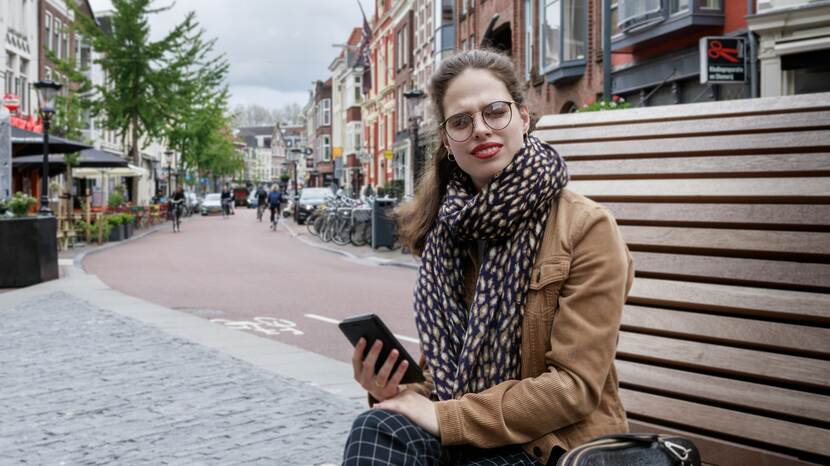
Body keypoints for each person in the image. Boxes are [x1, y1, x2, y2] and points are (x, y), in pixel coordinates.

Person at [342, 49, 634, 466]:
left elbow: (574, 387)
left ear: (523, 118)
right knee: (377, 427)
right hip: (467, 434)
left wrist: (445, 415)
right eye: (461, 121)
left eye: (495, 112)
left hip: (554, 445)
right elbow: (442, 381)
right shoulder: (450, 233)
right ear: (446, 140)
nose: (480, 129)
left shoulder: (586, 228)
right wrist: (392, 391)